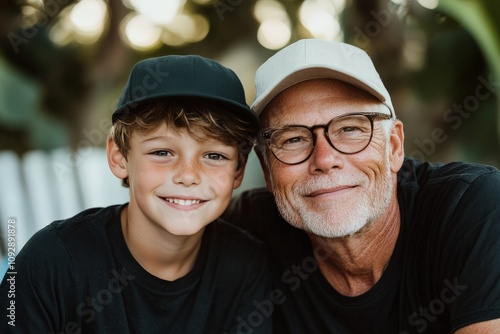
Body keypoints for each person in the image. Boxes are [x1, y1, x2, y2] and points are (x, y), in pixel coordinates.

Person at [224, 39, 500, 333]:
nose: (325, 159)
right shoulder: (246, 231)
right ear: (266, 168)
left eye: (350, 129)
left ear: (394, 147)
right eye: (293, 139)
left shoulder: (472, 207)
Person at [0, 55, 271, 333]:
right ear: (119, 158)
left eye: (214, 155)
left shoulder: (246, 267)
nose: (188, 175)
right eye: (162, 152)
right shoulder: (52, 261)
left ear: (238, 170)